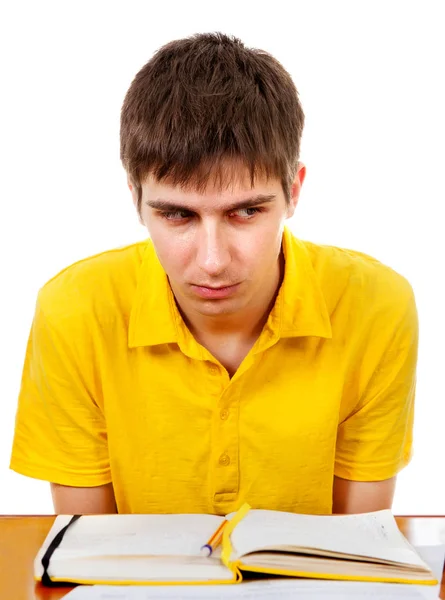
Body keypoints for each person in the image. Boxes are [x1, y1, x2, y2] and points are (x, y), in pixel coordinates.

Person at [10, 32, 418, 516]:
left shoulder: (375, 304)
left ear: (294, 191)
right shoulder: (75, 311)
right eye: (178, 215)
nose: (212, 261)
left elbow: (356, 548)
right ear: (136, 199)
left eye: (245, 212)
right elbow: (87, 553)